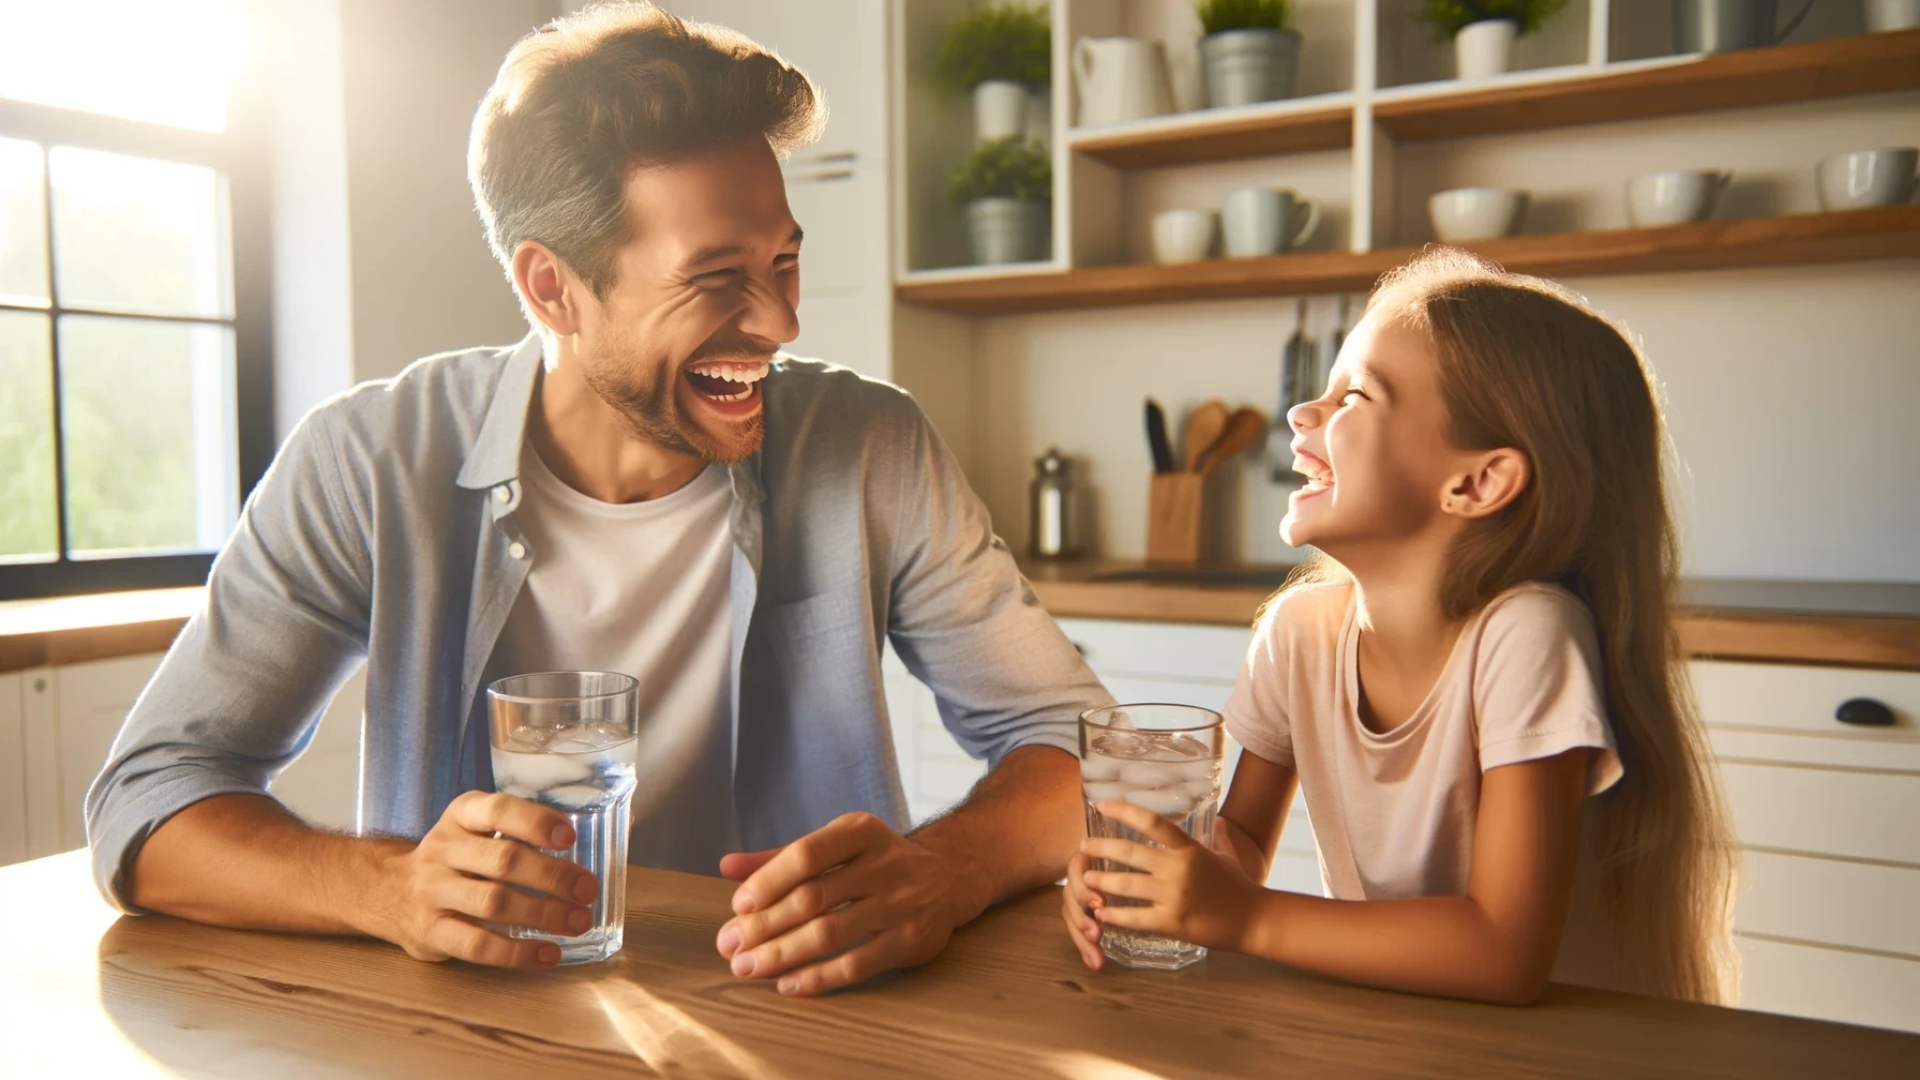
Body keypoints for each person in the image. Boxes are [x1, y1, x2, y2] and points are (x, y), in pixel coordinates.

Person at [87, 2, 1109, 997]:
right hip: (479, 1031)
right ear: (551, 288)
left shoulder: (871, 445)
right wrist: (388, 888)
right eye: (716, 278)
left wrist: (948, 868)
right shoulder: (370, 461)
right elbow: (147, 802)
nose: (780, 322)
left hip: (802, 1019)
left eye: (784, 261)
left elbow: (1079, 745)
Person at [1061, 249, 1740, 1006]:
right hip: (1405, 1027)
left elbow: (1504, 954)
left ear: (1477, 482)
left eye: (1355, 396)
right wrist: (1145, 883)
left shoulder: (1528, 636)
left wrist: (1245, 918)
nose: (1301, 413)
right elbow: (1241, 848)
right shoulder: (1300, 633)